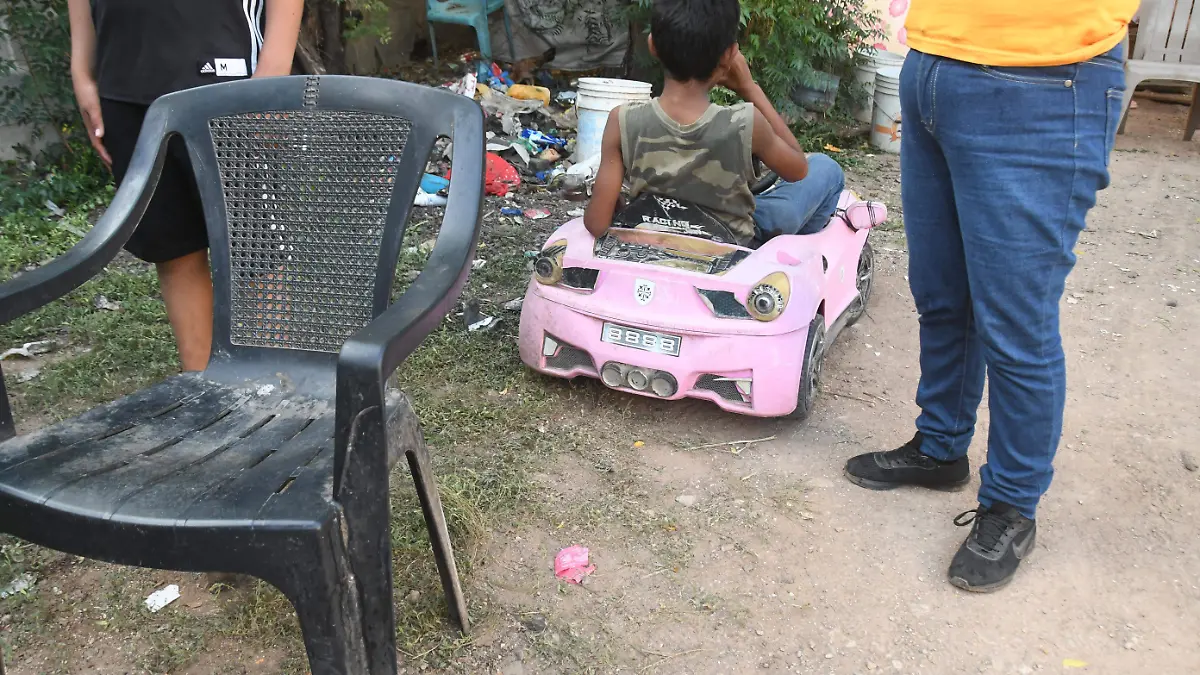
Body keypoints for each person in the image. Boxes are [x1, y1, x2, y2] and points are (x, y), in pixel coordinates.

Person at [843, 0, 1138, 592]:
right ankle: (941, 447)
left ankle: (1010, 505)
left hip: (1045, 77)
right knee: (943, 295)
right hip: (933, 64)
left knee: (1015, 323)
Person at [68, 0, 303, 371]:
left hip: (224, 75)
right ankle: (204, 388)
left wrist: (273, 69)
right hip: (125, 85)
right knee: (174, 250)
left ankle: (279, 390)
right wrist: (82, 71)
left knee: (254, 252)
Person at [583, 0, 845, 245]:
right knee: (826, 168)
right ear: (730, 55)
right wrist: (750, 88)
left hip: (654, 239)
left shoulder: (623, 120)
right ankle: (797, 256)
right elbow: (798, 169)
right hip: (733, 249)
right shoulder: (746, 122)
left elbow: (596, 224)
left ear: (652, 45)